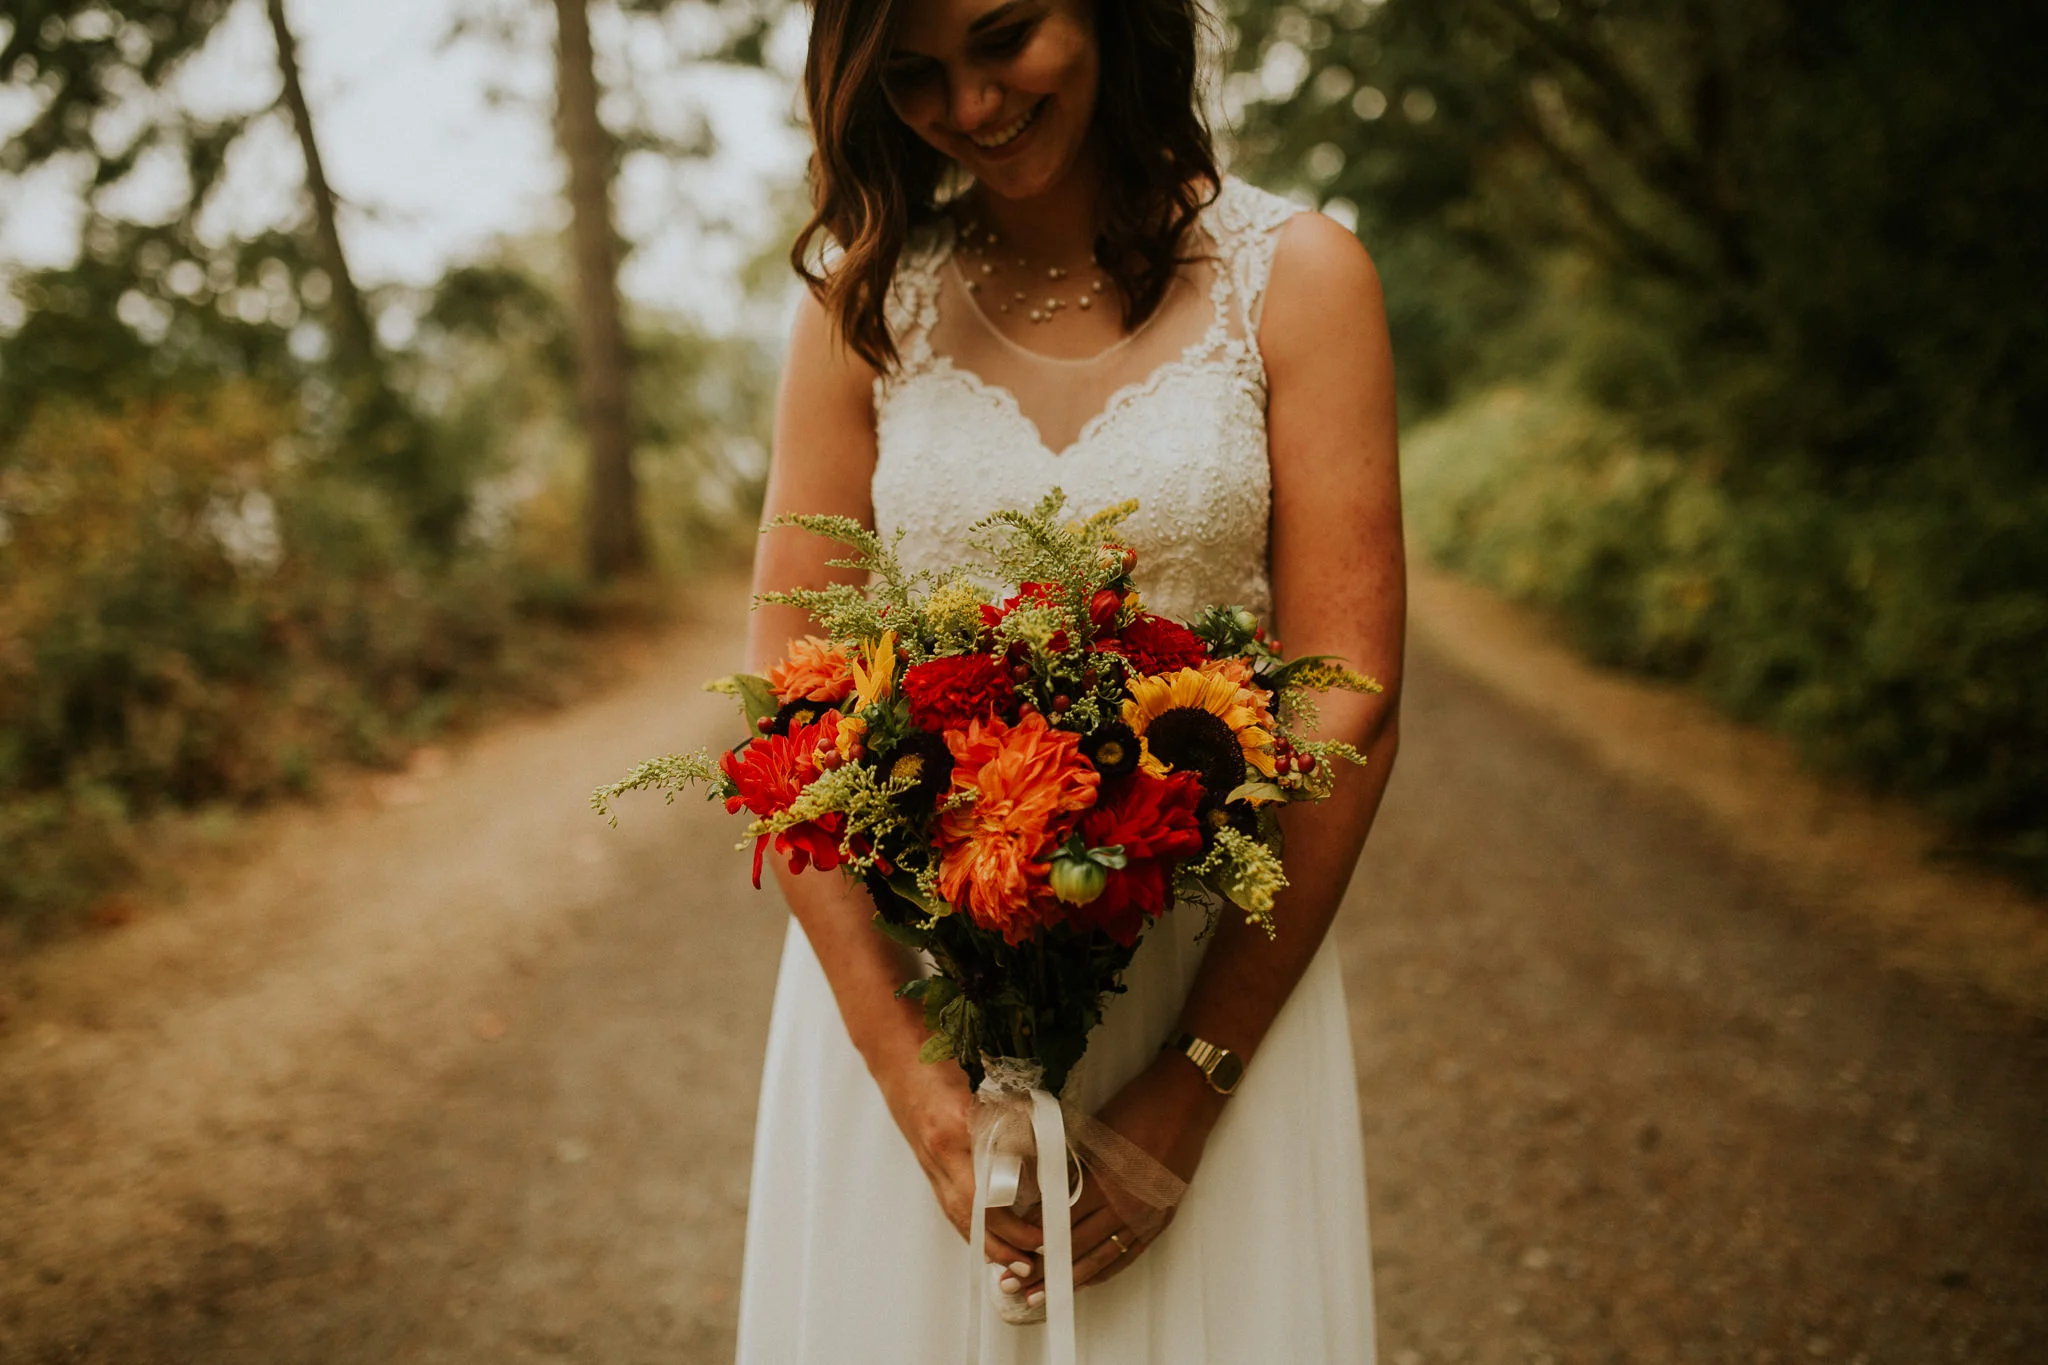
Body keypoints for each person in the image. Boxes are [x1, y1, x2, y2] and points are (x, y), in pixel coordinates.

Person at [734, 0, 1404, 1359]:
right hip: (928, 986)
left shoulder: (1302, 275)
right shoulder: (863, 309)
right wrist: (911, 1080)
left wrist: (1196, 1077)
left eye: (1004, 39)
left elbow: (1350, 697)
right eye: (914, 76)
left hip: (1203, 956)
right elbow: (786, 708)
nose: (969, 106)